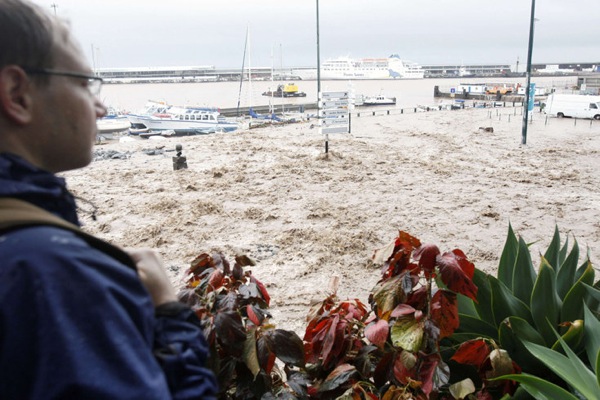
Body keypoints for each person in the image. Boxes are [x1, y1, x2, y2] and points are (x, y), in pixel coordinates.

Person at [0, 1, 217, 398]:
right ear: (17, 94)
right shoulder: (57, 275)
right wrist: (169, 315)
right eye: (84, 84)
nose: (100, 106)